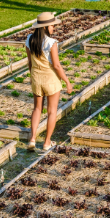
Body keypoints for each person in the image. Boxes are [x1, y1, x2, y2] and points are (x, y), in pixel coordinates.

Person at [25, 12, 73, 151]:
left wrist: (33, 76)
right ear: (45, 27)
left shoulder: (29, 39)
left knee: (37, 108)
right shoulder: (51, 43)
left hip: (36, 77)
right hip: (50, 79)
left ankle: (32, 139)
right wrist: (67, 82)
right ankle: (47, 142)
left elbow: (30, 62)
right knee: (52, 111)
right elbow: (56, 66)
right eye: (52, 25)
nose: (53, 28)